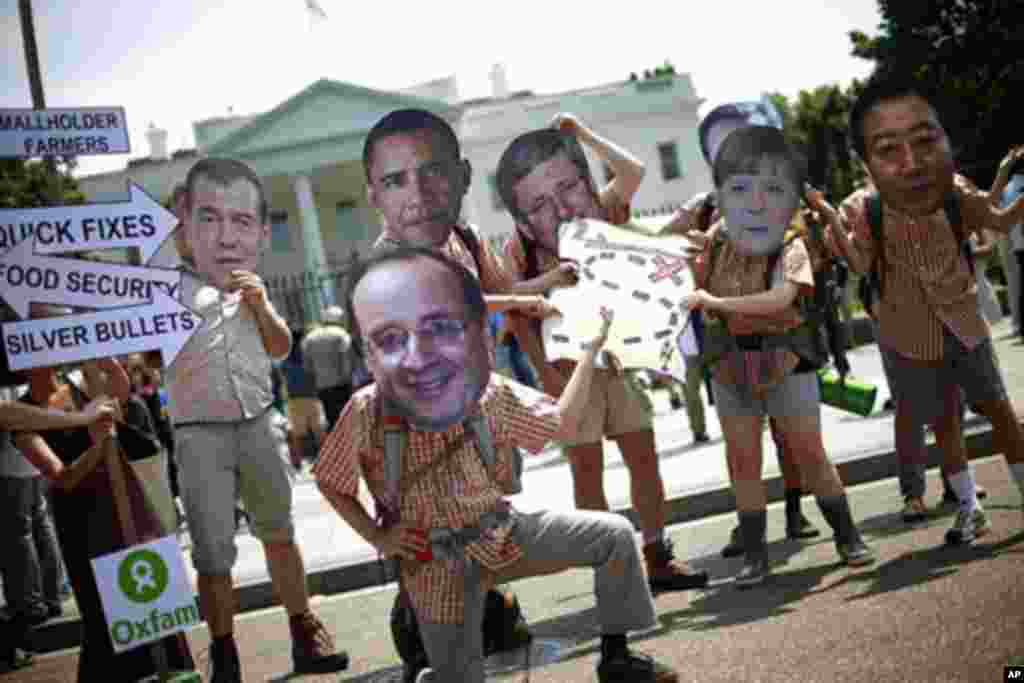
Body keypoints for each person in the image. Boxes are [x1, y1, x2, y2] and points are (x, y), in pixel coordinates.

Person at [314, 247, 677, 683]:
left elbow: (558, 424)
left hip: (501, 533)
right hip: (434, 564)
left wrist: (589, 354)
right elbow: (331, 479)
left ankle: (617, 659)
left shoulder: (484, 390)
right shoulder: (367, 408)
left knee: (613, 535)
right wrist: (378, 536)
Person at [496, 118, 709, 593]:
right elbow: (515, 312)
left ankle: (656, 555)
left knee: (644, 459)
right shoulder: (520, 251)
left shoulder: (602, 215)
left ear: (584, 181)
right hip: (572, 376)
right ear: (524, 217)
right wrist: (547, 376)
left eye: (569, 186)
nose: (562, 206)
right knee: (587, 473)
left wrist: (584, 135)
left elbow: (632, 172)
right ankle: (611, 570)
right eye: (538, 203)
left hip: (619, 366)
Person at [167, 157, 348, 681]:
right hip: (198, 434)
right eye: (200, 222)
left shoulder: (251, 282)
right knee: (213, 553)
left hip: (256, 424)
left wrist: (262, 303)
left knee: (280, 533)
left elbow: (279, 346)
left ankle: (305, 633)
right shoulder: (162, 292)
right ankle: (224, 653)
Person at [826, 70, 1024, 545]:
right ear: (867, 160)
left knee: (999, 411)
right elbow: (858, 261)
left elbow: (995, 220)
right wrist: (833, 225)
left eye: (922, 140)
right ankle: (970, 509)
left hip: (963, 322)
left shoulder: (953, 190)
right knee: (945, 424)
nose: (910, 162)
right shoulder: (866, 210)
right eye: (888, 148)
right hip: (909, 331)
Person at [680, 126, 874, 586]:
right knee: (741, 460)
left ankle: (848, 537)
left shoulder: (790, 243)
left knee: (809, 453)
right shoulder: (715, 240)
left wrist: (717, 304)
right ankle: (755, 556)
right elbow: (678, 271)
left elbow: (783, 299)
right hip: (730, 365)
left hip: (785, 359)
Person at [13, 306, 194, 681]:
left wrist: (89, 334)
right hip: (81, 519)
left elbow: (122, 388)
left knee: (150, 593)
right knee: (103, 612)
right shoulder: (23, 413)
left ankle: (168, 668)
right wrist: (99, 446)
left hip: (122, 499)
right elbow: (60, 478)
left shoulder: (82, 386)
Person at [301, 306, 355, 430]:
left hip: (322, 387)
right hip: (341, 385)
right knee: (348, 419)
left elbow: (307, 366)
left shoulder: (310, 337)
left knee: (332, 420)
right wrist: (348, 380)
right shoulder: (342, 335)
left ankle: (338, 447)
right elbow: (347, 362)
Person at [283, 329, 327, 467]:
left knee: (297, 432)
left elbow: (282, 373)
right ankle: (327, 457)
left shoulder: (286, 357)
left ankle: (297, 462)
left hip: (294, 397)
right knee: (318, 429)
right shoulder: (308, 355)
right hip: (311, 395)